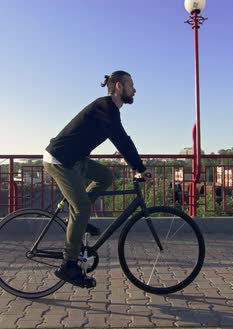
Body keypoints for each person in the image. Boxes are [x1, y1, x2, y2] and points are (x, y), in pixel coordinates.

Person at [43, 70, 152, 288]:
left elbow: (123, 140)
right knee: (82, 207)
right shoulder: (105, 107)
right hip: (60, 159)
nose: (135, 90)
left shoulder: (110, 111)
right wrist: (140, 168)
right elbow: (122, 140)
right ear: (119, 86)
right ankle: (69, 265)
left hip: (75, 159)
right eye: (131, 85)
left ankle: (76, 222)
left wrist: (138, 166)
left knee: (106, 176)